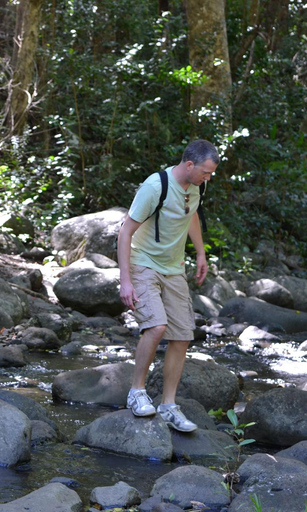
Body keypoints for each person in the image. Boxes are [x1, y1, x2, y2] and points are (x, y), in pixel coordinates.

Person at [117, 139, 219, 433]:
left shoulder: (196, 186)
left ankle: (168, 405)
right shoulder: (154, 187)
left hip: (173, 267)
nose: (208, 178)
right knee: (157, 326)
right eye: (206, 172)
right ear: (189, 165)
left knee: (183, 334)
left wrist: (200, 252)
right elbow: (126, 232)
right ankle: (136, 392)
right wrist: (125, 280)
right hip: (143, 261)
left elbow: (192, 215)